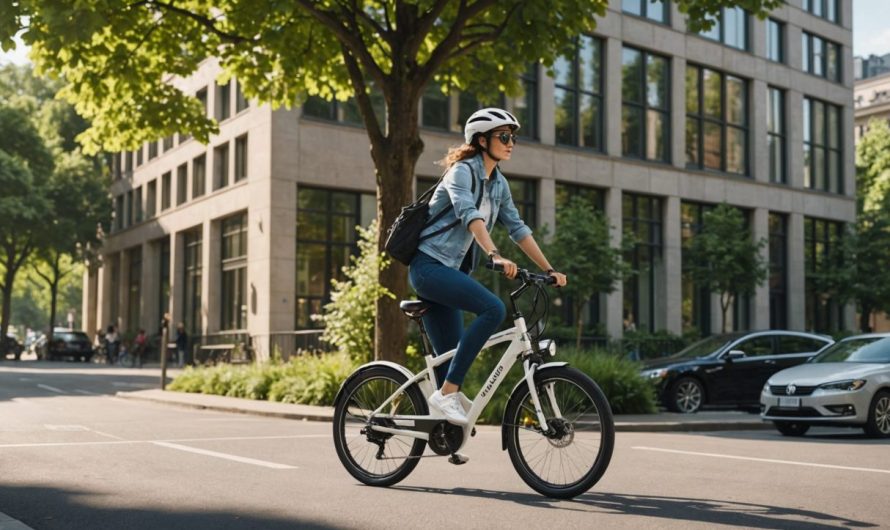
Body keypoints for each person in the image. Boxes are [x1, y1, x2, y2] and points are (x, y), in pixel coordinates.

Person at [409, 108, 567, 426]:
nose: (511, 143)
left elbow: (518, 229)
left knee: (450, 359)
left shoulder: (499, 185)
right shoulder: (461, 172)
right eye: (504, 137)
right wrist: (494, 254)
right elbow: (469, 214)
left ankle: (443, 428)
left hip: (451, 273)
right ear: (482, 140)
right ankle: (447, 394)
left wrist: (550, 269)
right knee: (493, 309)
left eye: (513, 138)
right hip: (428, 268)